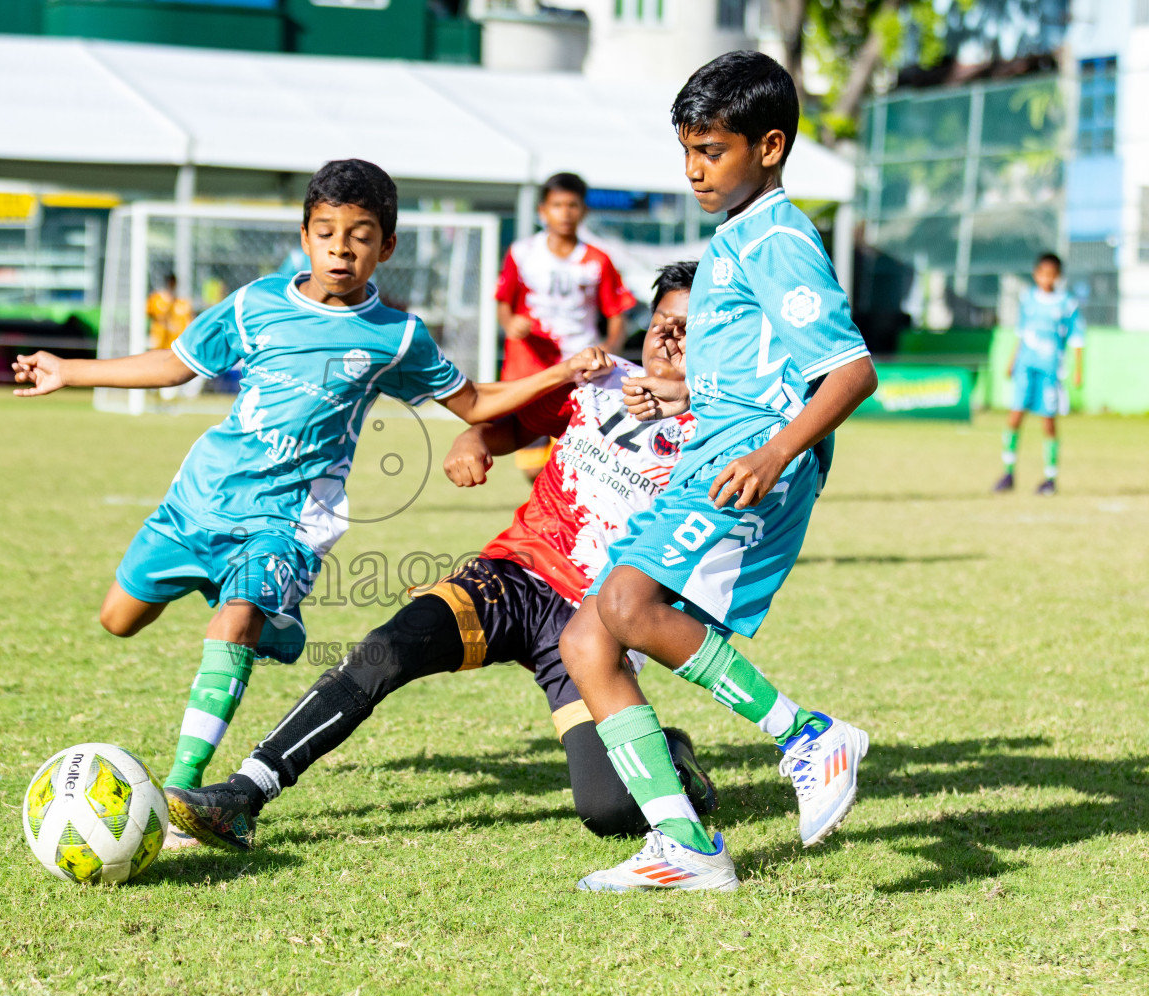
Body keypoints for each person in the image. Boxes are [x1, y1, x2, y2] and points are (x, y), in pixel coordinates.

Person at [10, 159, 613, 807]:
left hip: (288, 519)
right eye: (326, 232)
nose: (341, 249)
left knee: (233, 617)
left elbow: (475, 402)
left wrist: (559, 373)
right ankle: (276, 631)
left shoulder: (397, 336)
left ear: (387, 247)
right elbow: (173, 365)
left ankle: (182, 790)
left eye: (360, 235)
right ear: (304, 236)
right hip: (201, 500)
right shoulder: (256, 304)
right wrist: (69, 370)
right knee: (119, 620)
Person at [165, 263, 720, 853]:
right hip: (510, 578)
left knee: (608, 810)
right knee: (388, 650)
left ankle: (672, 759)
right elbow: (500, 429)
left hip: (591, 624)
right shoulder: (598, 384)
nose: (669, 337)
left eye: (688, 328)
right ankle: (243, 795)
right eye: (663, 321)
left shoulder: (719, 425)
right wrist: (471, 442)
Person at [557, 51, 879, 893]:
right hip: (716, 450)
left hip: (749, 463)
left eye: (713, 151)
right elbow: (753, 364)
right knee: (588, 639)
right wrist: (676, 389)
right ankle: (683, 843)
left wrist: (774, 452)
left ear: (768, 146)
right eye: (688, 152)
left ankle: (806, 734)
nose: (696, 170)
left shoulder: (776, 236)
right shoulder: (738, 235)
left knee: (627, 607)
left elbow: (850, 372)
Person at [497, 172, 636, 480]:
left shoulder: (598, 260)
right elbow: (503, 303)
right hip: (531, 369)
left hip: (579, 369)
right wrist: (511, 323)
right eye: (557, 205)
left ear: (583, 210)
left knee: (577, 457)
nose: (565, 212)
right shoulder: (522, 253)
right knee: (534, 467)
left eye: (572, 205)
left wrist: (609, 351)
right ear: (542, 211)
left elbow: (616, 314)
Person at [995, 253, 1083, 496]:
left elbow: (1077, 338)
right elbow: (1022, 334)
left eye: (1051, 274)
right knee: (1014, 417)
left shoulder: (1067, 303)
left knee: (1048, 421)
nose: (1046, 278)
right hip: (1026, 366)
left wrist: (1078, 370)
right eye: (1042, 273)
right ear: (1036, 274)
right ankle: (1008, 473)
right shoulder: (1029, 300)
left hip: (1050, 369)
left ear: (1058, 276)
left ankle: (1050, 478)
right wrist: (1012, 361)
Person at [146, 273, 201, 400]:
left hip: (177, 346)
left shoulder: (183, 303)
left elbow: (190, 322)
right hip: (159, 345)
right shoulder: (156, 299)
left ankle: (177, 397)